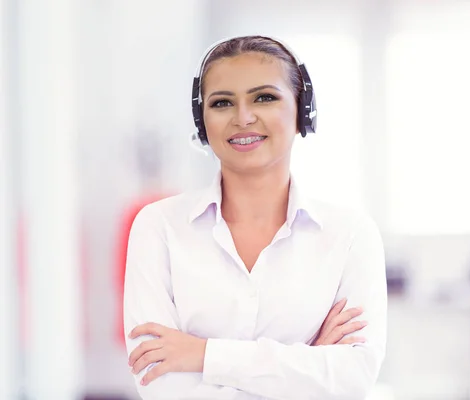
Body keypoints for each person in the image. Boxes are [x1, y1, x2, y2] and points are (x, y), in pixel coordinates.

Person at [122, 35, 388, 400]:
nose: (243, 117)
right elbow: (157, 377)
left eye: (264, 97)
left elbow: (353, 378)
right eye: (221, 103)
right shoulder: (158, 227)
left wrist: (202, 355)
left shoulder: (351, 235)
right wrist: (308, 364)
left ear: (302, 111)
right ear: (203, 123)